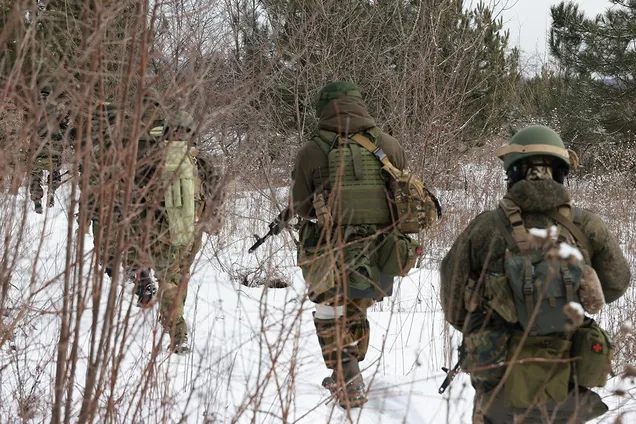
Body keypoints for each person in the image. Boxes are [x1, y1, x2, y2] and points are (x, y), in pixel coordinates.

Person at [440, 125, 631, 423]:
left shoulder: (485, 227)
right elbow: (617, 284)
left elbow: (453, 302)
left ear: (513, 173)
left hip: (497, 379)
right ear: (560, 173)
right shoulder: (587, 226)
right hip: (566, 376)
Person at [287, 81, 408, 408]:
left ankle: (347, 374)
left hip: (330, 248)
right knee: (356, 306)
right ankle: (349, 367)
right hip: (380, 250)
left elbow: (301, 207)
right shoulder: (389, 145)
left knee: (329, 310)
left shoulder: (312, 151)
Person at [142, 111, 225, 353]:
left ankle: (175, 328)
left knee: (168, 278)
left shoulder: (151, 157)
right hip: (191, 229)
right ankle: (175, 325)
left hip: (160, 230)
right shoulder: (199, 159)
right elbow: (217, 193)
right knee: (181, 276)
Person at [29, 85, 67, 213]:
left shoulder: (32, 107)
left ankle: (36, 199)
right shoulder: (58, 107)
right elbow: (65, 125)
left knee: (35, 175)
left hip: (37, 148)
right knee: (55, 171)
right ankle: (51, 191)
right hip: (53, 147)